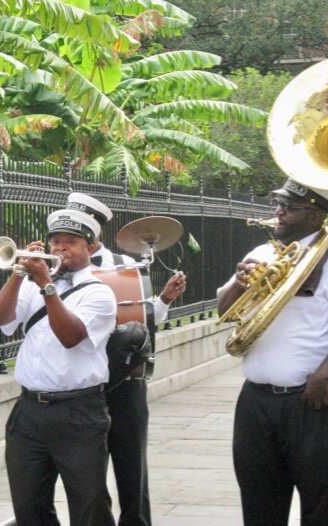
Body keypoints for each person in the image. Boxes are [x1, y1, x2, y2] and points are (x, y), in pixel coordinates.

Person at [216, 179, 328, 526]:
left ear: (315, 216)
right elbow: (223, 310)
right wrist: (238, 282)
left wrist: (324, 376)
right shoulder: (262, 254)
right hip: (256, 401)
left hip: (313, 401)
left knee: (319, 504)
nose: (278, 212)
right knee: (258, 502)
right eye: (278, 204)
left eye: (289, 207)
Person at [66, 192, 187, 526]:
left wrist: (163, 299)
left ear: (96, 231)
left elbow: (144, 321)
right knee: (87, 474)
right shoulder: (56, 270)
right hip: (79, 384)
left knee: (132, 466)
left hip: (124, 379)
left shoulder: (127, 267)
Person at [0, 209, 117, 526]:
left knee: (89, 506)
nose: (60, 249)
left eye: (71, 242)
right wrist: (19, 274)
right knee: (29, 507)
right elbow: (0, 319)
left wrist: (46, 283)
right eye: (55, 241)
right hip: (29, 412)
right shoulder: (32, 286)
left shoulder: (100, 292)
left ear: (90, 248)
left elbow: (71, 336)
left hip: (79, 413)